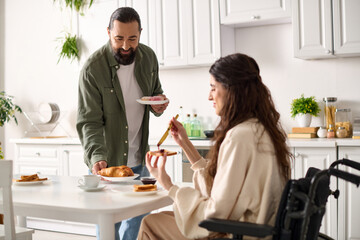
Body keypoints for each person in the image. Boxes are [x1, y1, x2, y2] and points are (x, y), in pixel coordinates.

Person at [138, 53, 292, 240]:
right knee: (160, 219)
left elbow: (215, 214)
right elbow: (224, 187)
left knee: (150, 224)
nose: (209, 96)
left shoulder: (240, 137)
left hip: (239, 234)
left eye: (213, 88)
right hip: (256, 230)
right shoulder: (260, 129)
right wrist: (185, 144)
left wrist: (169, 185)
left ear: (232, 90)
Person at [76, 7, 168, 240]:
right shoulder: (92, 69)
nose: (126, 46)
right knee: (109, 228)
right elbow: (89, 121)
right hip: (107, 164)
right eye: (119, 38)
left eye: (132, 39)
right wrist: (97, 156)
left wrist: (158, 105)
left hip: (140, 161)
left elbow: (155, 93)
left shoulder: (148, 58)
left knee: (136, 228)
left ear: (140, 34)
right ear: (108, 33)